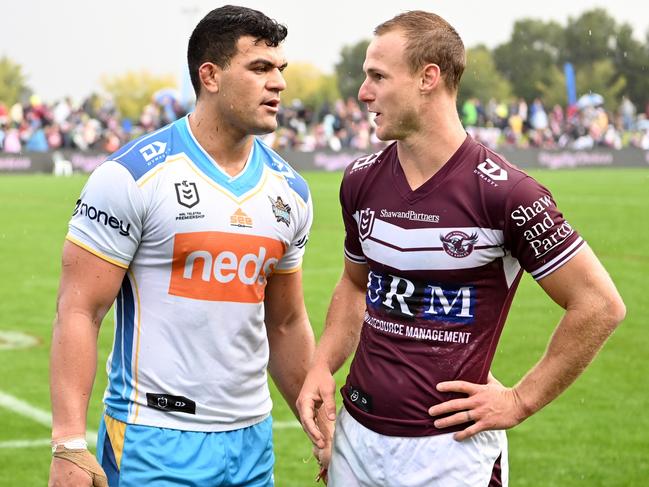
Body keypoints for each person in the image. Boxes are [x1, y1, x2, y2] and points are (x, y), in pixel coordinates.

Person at [296, 10, 625, 487]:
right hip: (357, 438)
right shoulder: (361, 179)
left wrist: (519, 400)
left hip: (449, 453)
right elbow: (354, 285)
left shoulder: (508, 193)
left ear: (428, 78)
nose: (363, 93)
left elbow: (599, 304)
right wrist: (323, 365)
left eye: (377, 77)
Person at [49, 5, 322, 486]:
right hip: (152, 439)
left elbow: (284, 321)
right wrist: (68, 442)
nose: (278, 83)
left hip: (252, 442)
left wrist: (322, 428)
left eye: (280, 69)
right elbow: (80, 310)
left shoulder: (291, 191)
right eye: (259, 68)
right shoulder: (131, 176)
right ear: (210, 76)